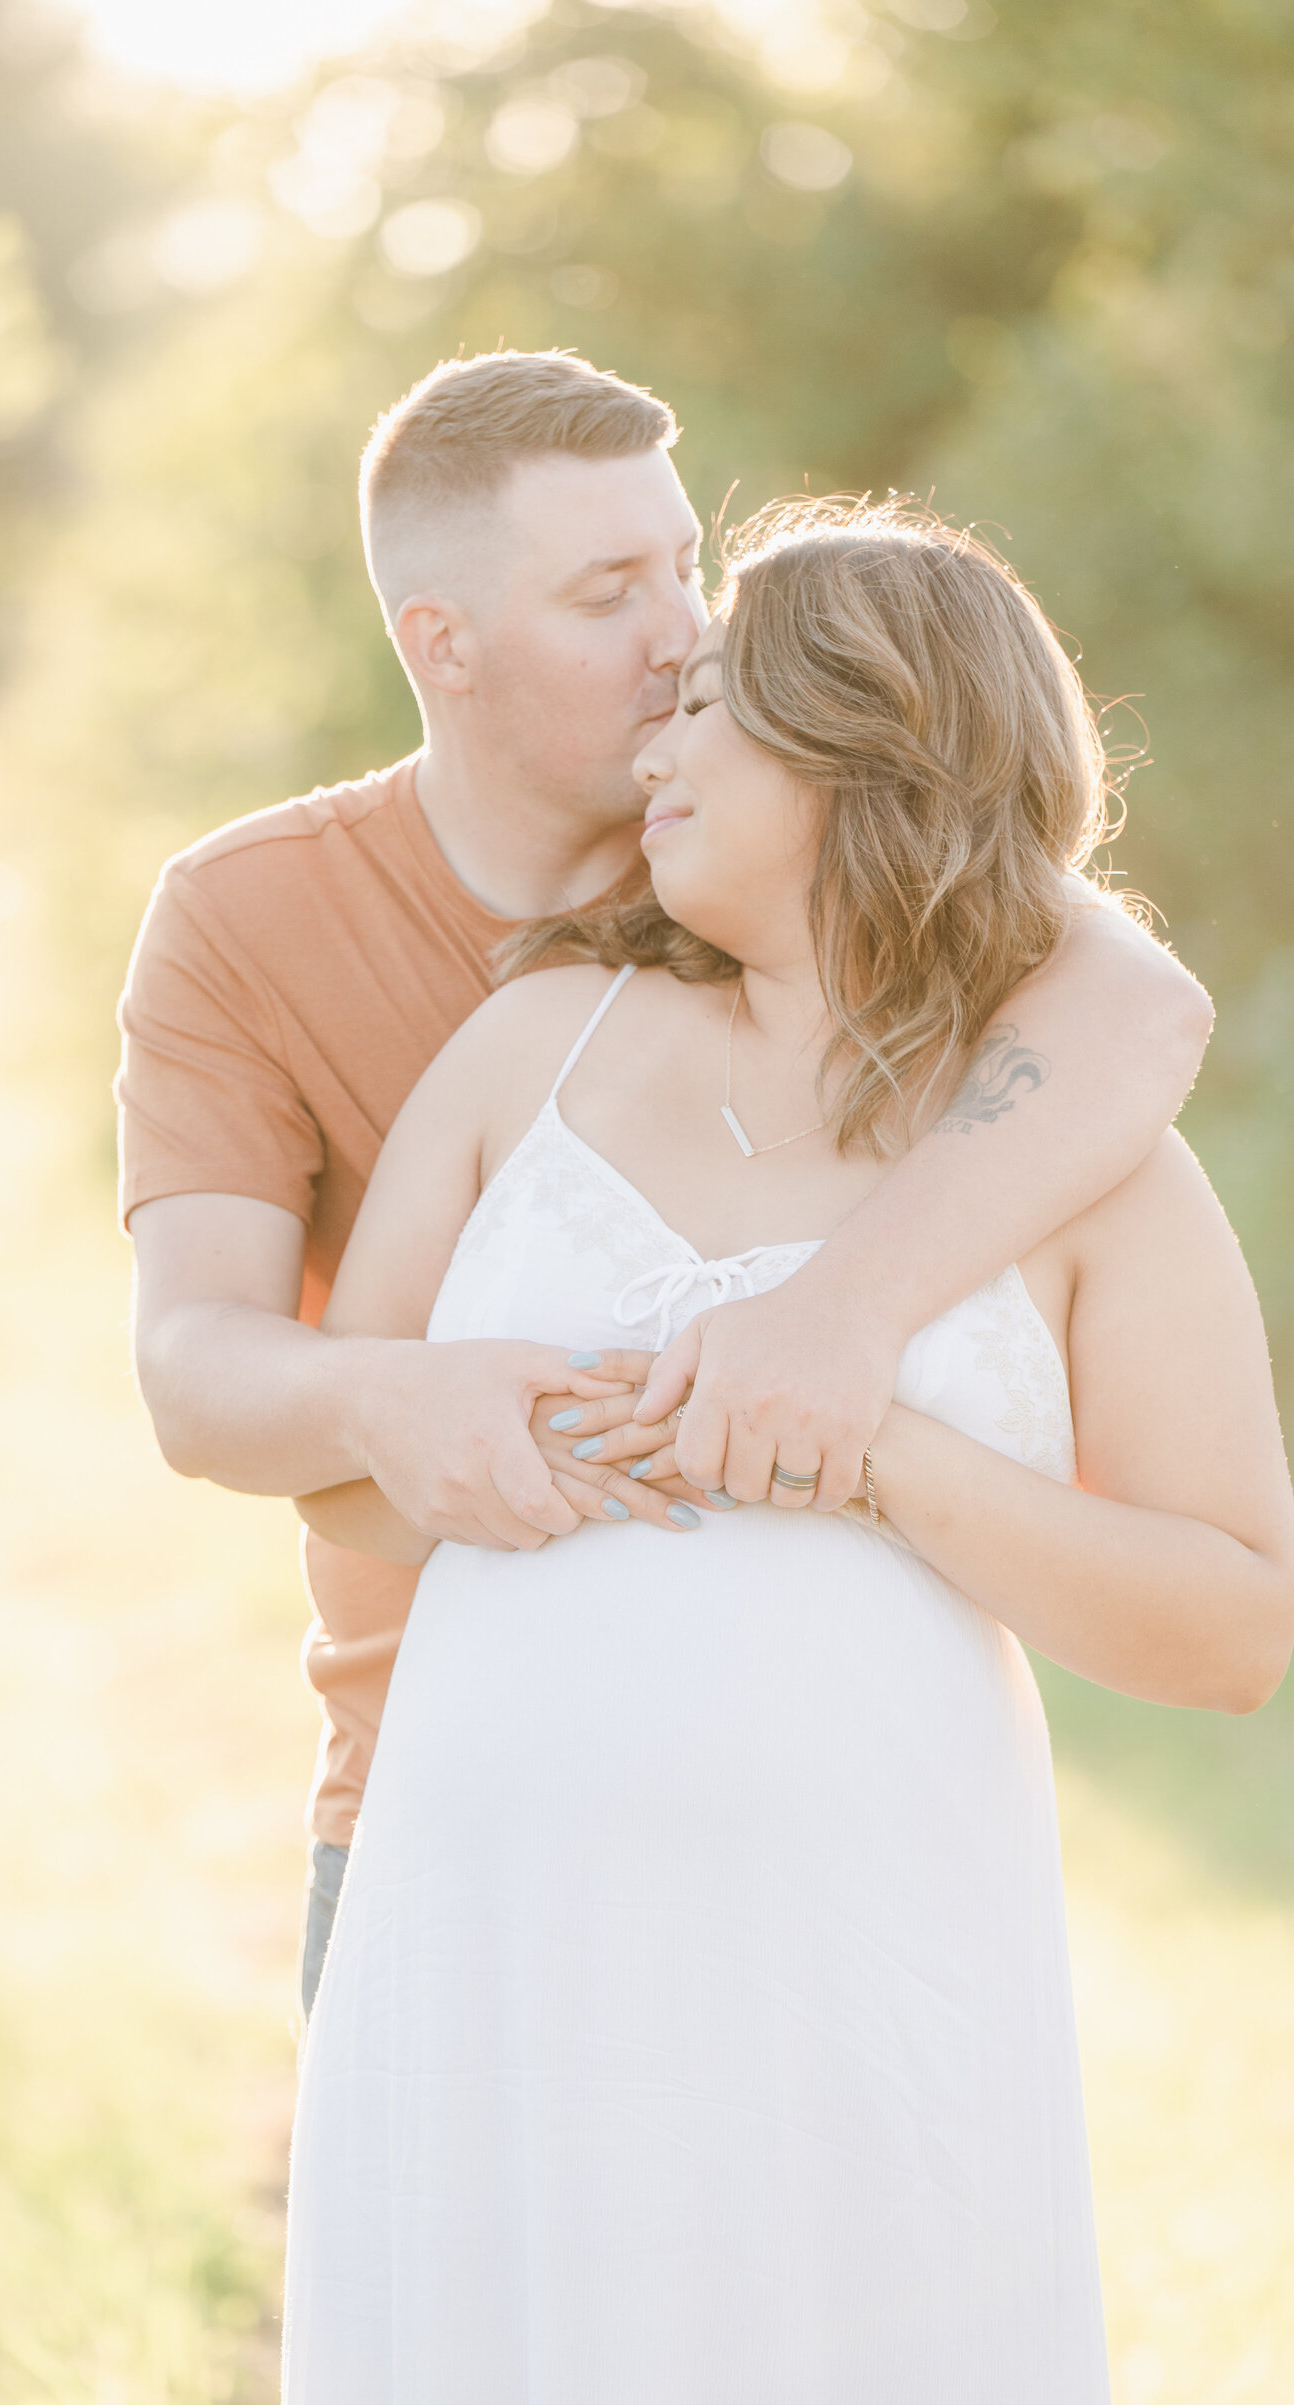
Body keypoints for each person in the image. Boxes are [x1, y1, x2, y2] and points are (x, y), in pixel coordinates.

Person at [281, 497, 1294, 2402]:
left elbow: (1236, 1627)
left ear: (866, 748)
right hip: (498, 1942)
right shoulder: (534, 1049)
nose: (652, 745)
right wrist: (469, 1423)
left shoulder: (1088, 1165)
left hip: (865, 1988)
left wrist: (885, 1454)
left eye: (713, 705)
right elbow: (344, 1471)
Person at [117, 354, 1211, 2022]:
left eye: (685, 567)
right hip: (437, 1781)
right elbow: (197, 1370)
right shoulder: (249, 918)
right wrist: (389, 1400)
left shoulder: (767, 825)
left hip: (848, 1831)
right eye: (608, 591)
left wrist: (839, 1324)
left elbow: (1139, 1005)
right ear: (443, 642)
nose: (684, 636)